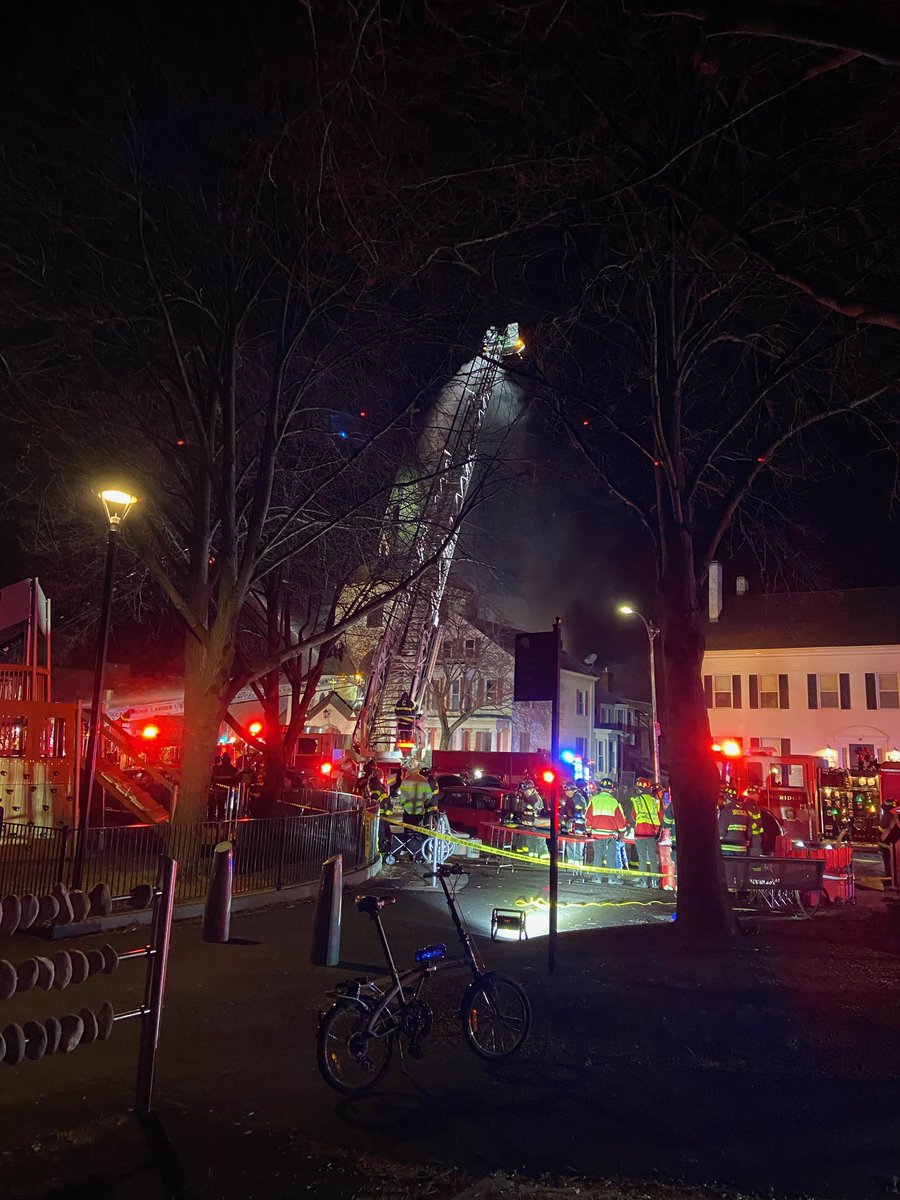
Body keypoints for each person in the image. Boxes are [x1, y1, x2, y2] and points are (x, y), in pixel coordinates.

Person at [586, 778, 627, 884]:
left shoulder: (593, 800)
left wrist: (589, 830)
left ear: (601, 788)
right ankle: (612, 878)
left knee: (598, 855)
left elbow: (588, 817)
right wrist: (622, 831)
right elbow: (620, 820)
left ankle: (597, 878)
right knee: (611, 856)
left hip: (597, 834)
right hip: (610, 835)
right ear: (611, 789)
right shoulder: (614, 802)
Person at [628, 776, 662, 888]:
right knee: (652, 858)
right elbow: (660, 817)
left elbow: (633, 816)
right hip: (652, 833)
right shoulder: (654, 801)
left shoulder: (637, 800)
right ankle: (655, 882)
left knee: (642, 857)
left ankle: (643, 881)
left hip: (640, 833)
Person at [397, 764, 433, 857]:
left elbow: (402, 796)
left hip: (408, 811)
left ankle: (407, 850)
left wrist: (403, 804)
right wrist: (423, 803)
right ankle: (417, 852)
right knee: (418, 832)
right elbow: (429, 795)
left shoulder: (406, 780)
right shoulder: (423, 780)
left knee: (407, 832)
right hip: (419, 811)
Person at [561, 780, 589, 864]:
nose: (566, 793)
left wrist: (571, 817)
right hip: (572, 824)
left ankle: (578, 860)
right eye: (566, 791)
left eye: (568, 791)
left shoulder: (578, 798)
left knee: (578, 843)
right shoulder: (570, 798)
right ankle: (572, 860)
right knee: (570, 841)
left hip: (578, 825)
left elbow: (579, 811)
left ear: (573, 790)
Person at [718, 788, 751, 854]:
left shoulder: (726, 811)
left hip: (728, 849)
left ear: (726, 797)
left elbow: (721, 832)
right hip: (742, 848)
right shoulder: (744, 811)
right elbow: (749, 831)